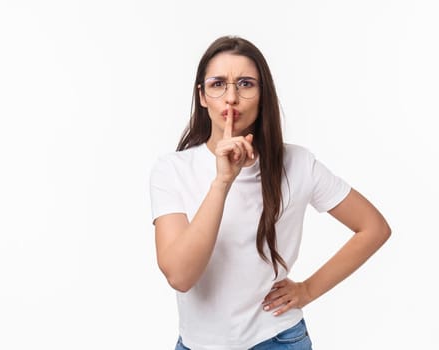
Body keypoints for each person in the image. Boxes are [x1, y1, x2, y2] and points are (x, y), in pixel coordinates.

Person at [149, 35, 391, 350]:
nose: (231, 97)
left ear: (263, 95)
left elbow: (373, 228)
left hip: (276, 339)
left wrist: (307, 290)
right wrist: (223, 181)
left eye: (246, 84)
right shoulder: (172, 170)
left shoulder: (299, 164)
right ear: (203, 96)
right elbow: (180, 276)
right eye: (218, 84)